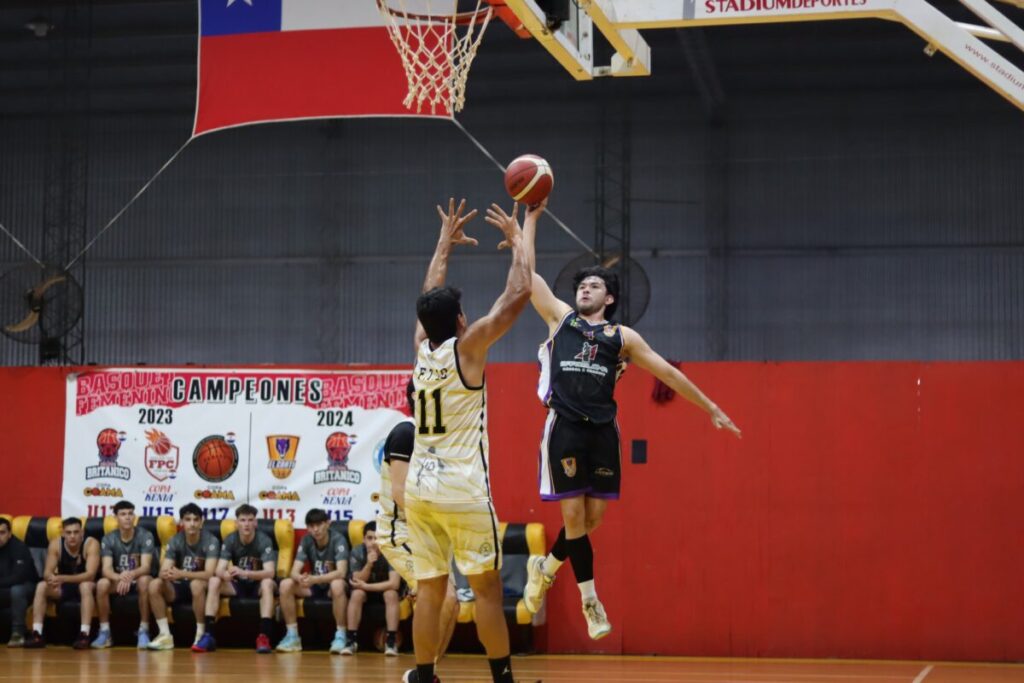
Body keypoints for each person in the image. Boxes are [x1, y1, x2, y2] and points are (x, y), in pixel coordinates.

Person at [508, 199, 742, 639]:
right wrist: (531, 220)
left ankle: (546, 565)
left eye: (594, 285)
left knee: (591, 521)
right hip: (564, 426)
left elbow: (668, 372)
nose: (585, 288)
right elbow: (526, 278)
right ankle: (590, 601)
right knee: (575, 520)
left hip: (603, 431)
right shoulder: (561, 320)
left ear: (609, 298)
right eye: (582, 284)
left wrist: (709, 406)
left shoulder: (623, 337)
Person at [401, 198, 531, 683]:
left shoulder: (420, 350)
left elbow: (427, 294)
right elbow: (517, 295)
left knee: (430, 592)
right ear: (460, 320)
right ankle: (502, 678)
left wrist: (442, 244)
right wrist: (519, 240)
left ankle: (423, 674)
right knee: (488, 592)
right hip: (462, 488)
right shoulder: (469, 348)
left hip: (420, 488)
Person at [376, 380, 458, 662]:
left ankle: (426, 672)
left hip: (430, 534)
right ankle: (423, 673)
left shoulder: (437, 439)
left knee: (452, 604)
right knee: (444, 597)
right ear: (418, 397)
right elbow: (400, 493)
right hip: (402, 533)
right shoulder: (405, 433)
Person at [194, 503, 277, 653]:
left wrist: (245, 573)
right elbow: (219, 569)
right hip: (238, 585)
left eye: (250, 520)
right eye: (243, 520)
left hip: (257, 584)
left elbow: (270, 572)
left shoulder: (264, 540)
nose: (247, 524)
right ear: (236, 522)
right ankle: (208, 635)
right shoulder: (230, 539)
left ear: (255, 522)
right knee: (214, 580)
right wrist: (224, 574)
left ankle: (264, 636)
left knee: (268, 583)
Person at [147, 503, 220, 650]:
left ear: (201, 522)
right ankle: (165, 635)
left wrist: (181, 573)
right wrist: (168, 573)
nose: (192, 524)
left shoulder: (211, 541)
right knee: (154, 584)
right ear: (181, 522)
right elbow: (163, 571)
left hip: (201, 586)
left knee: (196, 584)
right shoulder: (175, 540)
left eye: (195, 520)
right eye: (188, 519)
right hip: (179, 587)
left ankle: (200, 634)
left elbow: (209, 573)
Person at [276, 508, 349, 654]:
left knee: (337, 584)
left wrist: (316, 579)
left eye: (319, 524)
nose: (316, 529)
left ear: (327, 523)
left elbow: (341, 572)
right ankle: (292, 636)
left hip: (332, 586)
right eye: (311, 526)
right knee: (285, 584)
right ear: (308, 528)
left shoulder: (338, 539)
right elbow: (293, 571)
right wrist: (300, 578)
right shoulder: (306, 540)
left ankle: (341, 635)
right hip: (314, 584)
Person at [24, 517, 99, 649]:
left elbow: (90, 574)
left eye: (76, 532)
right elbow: (47, 572)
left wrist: (62, 578)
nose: (72, 536)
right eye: (69, 533)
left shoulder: (91, 544)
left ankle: (84, 634)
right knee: (42, 586)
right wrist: (51, 578)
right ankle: (37, 634)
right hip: (65, 586)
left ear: (82, 532)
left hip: (88, 585)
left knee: (85, 586)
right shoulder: (56, 544)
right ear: (63, 533)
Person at [92, 500, 156, 648]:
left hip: (139, 578)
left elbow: (146, 567)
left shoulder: (145, 535)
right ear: (115, 518)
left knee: (145, 581)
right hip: (119, 580)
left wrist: (130, 575)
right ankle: (105, 632)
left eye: (130, 514)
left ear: (134, 517)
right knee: (102, 584)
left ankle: (144, 630)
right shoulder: (108, 539)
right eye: (123, 514)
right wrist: (120, 577)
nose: (127, 517)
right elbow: (106, 569)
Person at [342, 521, 401, 656]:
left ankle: (391, 641)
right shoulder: (357, 551)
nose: (373, 542)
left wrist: (366, 586)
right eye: (370, 538)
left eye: (377, 538)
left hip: (384, 589)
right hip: (365, 591)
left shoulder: (392, 551)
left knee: (391, 594)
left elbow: (394, 583)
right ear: (364, 539)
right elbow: (357, 581)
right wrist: (369, 564)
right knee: (356, 593)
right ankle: (351, 640)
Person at [0, 517, 40, 648]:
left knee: (17, 590)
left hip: (26, 587)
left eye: (2, 532)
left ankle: (18, 633)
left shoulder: (19, 547)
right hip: (4, 588)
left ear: (9, 533)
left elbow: (19, 577)